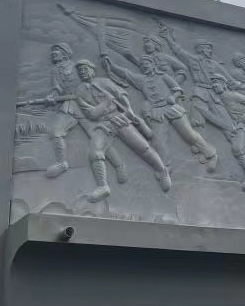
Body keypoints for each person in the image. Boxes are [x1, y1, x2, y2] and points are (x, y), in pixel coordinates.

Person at [72, 60, 171, 202]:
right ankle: (103, 187)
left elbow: (121, 93)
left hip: (119, 118)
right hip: (103, 124)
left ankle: (162, 170)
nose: (82, 72)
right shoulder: (80, 91)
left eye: (85, 68)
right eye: (79, 70)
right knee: (95, 151)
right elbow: (92, 114)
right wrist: (106, 102)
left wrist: (129, 109)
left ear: (92, 70)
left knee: (143, 147)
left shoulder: (104, 82)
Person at [100, 52, 219, 171]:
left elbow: (177, 89)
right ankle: (165, 167)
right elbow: (126, 74)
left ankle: (211, 154)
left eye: (147, 64)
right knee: (158, 140)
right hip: (156, 111)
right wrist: (111, 65)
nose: (144, 66)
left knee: (189, 134)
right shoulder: (141, 80)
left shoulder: (163, 76)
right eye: (142, 65)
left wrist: (173, 96)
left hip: (171, 108)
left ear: (153, 65)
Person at [44, 43, 127, 183]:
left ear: (65, 53)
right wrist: (51, 97)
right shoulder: (55, 70)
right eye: (53, 51)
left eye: (56, 51)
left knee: (98, 138)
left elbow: (89, 83)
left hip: (86, 105)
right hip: (69, 105)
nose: (53, 53)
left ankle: (119, 165)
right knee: (56, 131)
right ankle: (61, 163)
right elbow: (57, 88)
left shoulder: (76, 67)